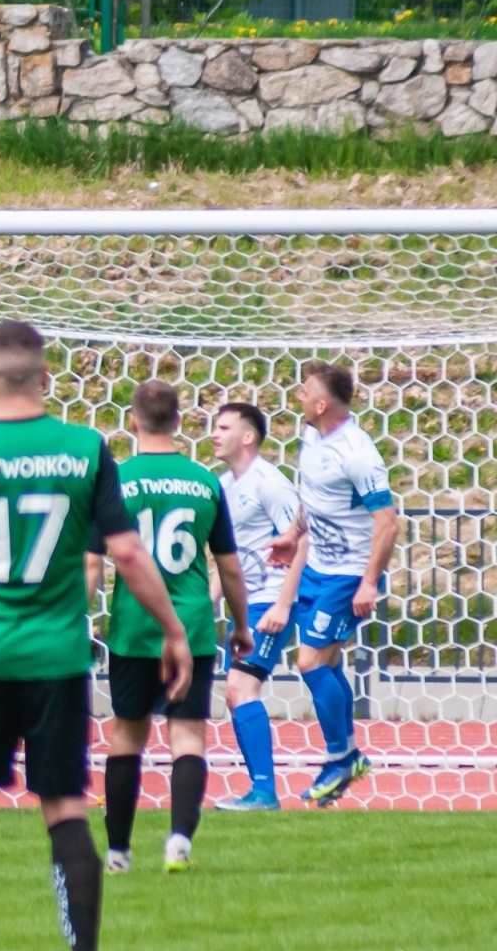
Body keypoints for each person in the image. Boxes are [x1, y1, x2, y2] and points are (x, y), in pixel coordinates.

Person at [0, 321, 191, 951]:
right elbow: (125, 553)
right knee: (64, 808)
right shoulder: (86, 449)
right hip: (58, 659)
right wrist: (174, 629)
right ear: (46, 378)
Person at [85, 381, 252, 875]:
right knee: (188, 739)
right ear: (179, 423)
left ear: (132, 423)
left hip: (134, 627)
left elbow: (92, 565)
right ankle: (179, 840)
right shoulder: (206, 483)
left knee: (127, 737)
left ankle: (118, 852)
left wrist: (78, 618)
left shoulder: (113, 480)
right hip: (193, 625)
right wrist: (241, 625)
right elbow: (231, 566)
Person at [267, 362, 398, 806]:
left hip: (346, 575)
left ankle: (340, 757)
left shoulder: (358, 453)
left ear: (322, 404)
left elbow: (388, 523)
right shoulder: (311, 436)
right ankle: (348, 756)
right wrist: (292, 535)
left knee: (309, 662)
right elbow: (314, 499)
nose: (298, 398)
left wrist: (368, 583)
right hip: (316, 568)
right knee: (328, 661)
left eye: (304, 392)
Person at [210, 402, 305, 812]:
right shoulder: (221, 485)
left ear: (248, 437)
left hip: (272, 599)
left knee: (240, 686)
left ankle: (265, 793)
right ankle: (259, 790)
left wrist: (283, 604)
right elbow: (225, 556)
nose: (214, 433)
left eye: (224, 426)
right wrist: (206, 605)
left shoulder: (271, 484)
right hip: (246, 603)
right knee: (235, 693)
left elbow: (302, 540)